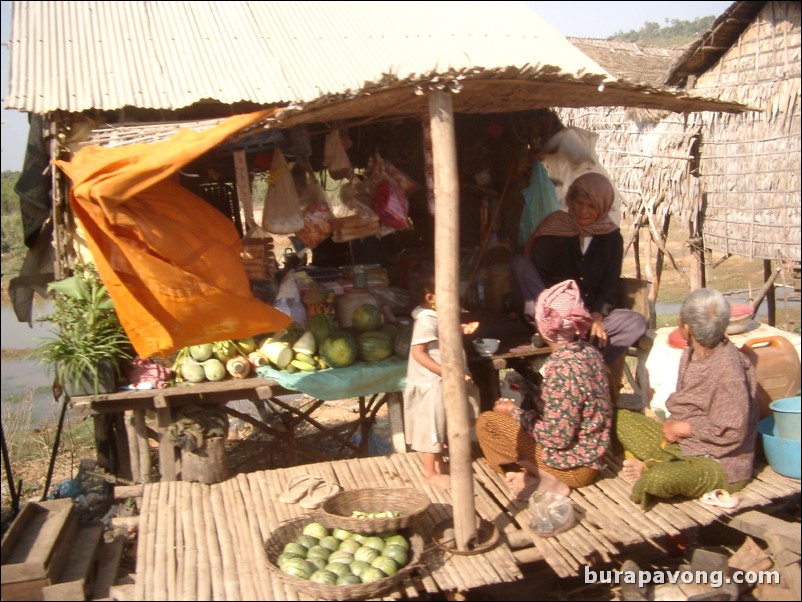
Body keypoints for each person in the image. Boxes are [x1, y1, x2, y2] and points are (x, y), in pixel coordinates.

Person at [616, 288, 758, 509]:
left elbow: (733, 430)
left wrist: (685, 428)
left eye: (680, 318)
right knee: (617, 419)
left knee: (657, 480)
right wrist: (677, 428)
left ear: (688, 328)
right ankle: (657, 460)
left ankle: (650, 467)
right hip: (680, 441)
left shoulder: (729, 372)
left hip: (719, 461)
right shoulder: (692, 350)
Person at [475, 279, 612, 499]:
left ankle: (541, 476)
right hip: (592, 457)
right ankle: (534, 472)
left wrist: (513, 413)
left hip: (573, 468)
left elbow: (556, 438)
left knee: (487, 423)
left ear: (543, 325)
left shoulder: (563, 369)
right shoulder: (588, 351)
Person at [511, 172, 646, 390]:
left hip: (586, 322)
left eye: (591, 206)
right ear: (571, 202)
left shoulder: (611, 239)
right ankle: (557, 342)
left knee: (635, 322)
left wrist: (597, 315)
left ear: (602, 207)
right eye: (579, 203)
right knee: (519, 265)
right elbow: (538, 274)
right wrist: (560, 312)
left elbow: (610, 283)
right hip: (550, 316)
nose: (583, 210)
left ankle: (586, 368)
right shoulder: (555, 228)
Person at [403, 271, 479, 488]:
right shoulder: (425, 321)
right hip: (431, 384)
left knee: (439, 423)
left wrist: (461, 329)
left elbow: (442, 334)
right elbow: (419, 353)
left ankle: (437, 465)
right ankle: (430, 473)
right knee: (431, 427)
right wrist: (445, 371)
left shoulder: (435, 317)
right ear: (430, 298)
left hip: (438, 382)